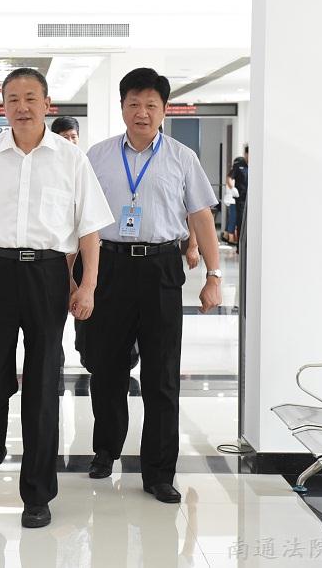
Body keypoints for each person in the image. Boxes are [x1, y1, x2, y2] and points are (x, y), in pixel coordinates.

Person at [0, 68, 114, 528]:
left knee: (42, 384)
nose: (22, 106)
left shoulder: (70, 159)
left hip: (47, 275)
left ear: (47, 103)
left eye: (31, 97)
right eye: (13, 98)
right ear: (3, 106)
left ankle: (37, 493)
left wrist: (88, 285)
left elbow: (89, 230)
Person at [78, 68, 221, 504]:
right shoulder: (98, 156)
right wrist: (79, 279)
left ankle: (159, 472)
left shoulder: (182, 158)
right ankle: (106, 450)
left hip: (160, 268)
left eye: (151, 105)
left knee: (161, 375)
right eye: (134, 104)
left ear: (164, 110)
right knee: (107, 370)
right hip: (109, 266)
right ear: (122, 107)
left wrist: (213, 275)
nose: (142, 113)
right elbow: (80, 218)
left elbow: (201, 217)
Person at [229, 155, 249, 242]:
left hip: (250, 199)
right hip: (240, 199)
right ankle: (239, 245)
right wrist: (232, 188)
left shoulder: (255, 165)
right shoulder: (239, 165)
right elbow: (229, 178)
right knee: (240, 220)